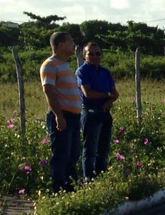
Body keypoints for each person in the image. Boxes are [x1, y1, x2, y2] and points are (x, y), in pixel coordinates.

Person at [40, 31, 82, 192]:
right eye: (70, 42)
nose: (73, 45)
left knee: (72, 155)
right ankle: (57, 190)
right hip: (62, 116)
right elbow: (48, 90)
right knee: (61, 156)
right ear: (61, 44)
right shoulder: (50, 65)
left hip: (73, 117)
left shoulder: (64, 65)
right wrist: (58, 115)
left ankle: (71, 189)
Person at [76, 41, 119, 181]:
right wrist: (107, 95)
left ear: (102, 55)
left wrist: (109, 100)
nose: (94, 56)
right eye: (91, 54)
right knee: (90, 149)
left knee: (104, 148)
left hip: (105, 112)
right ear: (84, 56)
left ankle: (101, 177)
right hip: (91, 112)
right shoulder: (82, 71)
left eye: (98, 53)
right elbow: (88, 93)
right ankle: (88, 178)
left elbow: (115, 94)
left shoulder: (105, 72)